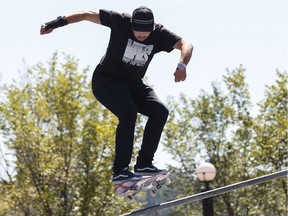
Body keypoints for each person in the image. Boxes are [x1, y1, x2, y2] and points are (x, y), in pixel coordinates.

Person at [40, 6, 193, 184]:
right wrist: (55, 23)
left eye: (146, 33)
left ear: (152, 28)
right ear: (132, 25)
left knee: (160, 112)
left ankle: (144, 163)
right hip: (106, 82)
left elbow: (186, 45)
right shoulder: (120, 22)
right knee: (128, 113)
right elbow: (85, 15)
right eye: (138, 32)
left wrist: (182, 65)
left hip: (133, 86)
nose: (142, 35)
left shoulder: (159, 33)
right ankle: (120, 170)